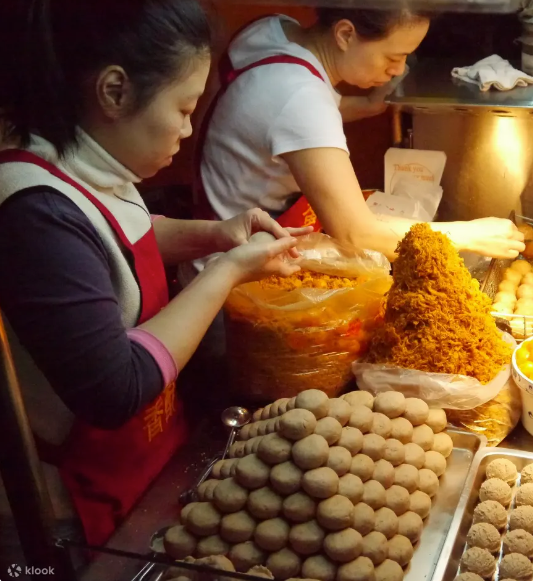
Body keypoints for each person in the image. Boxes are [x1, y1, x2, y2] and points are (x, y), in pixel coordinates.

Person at [0, 0, 311, 562]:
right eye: (185, 108)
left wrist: (217, 235)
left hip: (145, 461)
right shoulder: (33, 211)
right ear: (115, 92)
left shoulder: (83, 161)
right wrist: (227, 273)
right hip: (72, 505)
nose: (190, 129)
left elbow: (117, 238)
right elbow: (115, 388)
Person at [193, 8, 526, 263]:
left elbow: (284, 120)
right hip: (230, 279)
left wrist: (367, 105)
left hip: (219, 234)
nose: (398, 69)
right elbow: (356, 232)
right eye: (392, 56)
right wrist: (470, 234)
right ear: (345, 34)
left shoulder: (275, 30)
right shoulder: (299, 96)